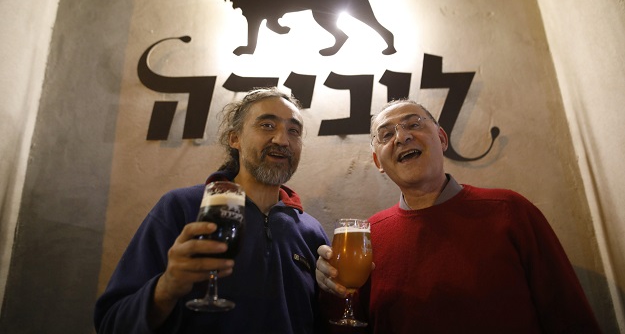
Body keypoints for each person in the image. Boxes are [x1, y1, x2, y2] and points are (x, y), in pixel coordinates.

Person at [316, 99, 601, 333]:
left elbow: (569, 316)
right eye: (386, 134)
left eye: (413, 124)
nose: (401, 137)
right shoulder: (368, 237)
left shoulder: (510, 211)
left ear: (441, 139)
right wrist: (331, 289)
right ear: (378, 161)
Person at [95, 87, 330, 334]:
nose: (282, 140)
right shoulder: (181, 208)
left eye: (294, 131)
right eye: (267, 126)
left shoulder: (311, 232)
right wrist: (165, 288)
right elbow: (111, 323)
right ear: (234, 138)